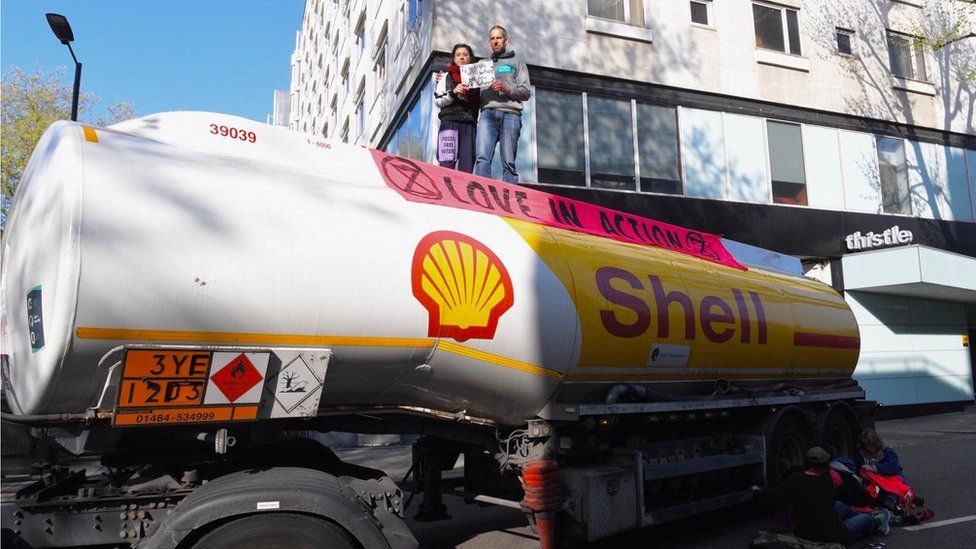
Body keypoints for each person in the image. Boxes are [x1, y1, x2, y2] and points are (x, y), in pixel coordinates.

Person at [753, 447, 890, 543]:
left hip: (803, 532)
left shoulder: (795, 479)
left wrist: (757, 491)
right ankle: (878, 519)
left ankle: (865, 516)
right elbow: (862, 499)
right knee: (863, 518)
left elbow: (773, 496)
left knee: (839, 506)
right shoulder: (832, 478)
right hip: (832, 535)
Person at [473, 25, 531, 183]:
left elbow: (526, 92)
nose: (495, 41)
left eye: (499, 38)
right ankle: (481, 192)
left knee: (509, 162)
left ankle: (509, 198)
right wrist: (443, 79)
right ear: (489, 42)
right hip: (487, 114)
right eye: (492, 39)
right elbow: (467, 87)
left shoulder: (517, 63)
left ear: (506, 40)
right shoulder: (482, 65)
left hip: (511, 115)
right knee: (482, 157)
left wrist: (507, 89)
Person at [434, 44, 480, 173]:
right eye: (458, 55)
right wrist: (453, 92)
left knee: (467, 165)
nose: (462, 58)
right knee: (446, 163)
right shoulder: (445, 77)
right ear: (454, 58)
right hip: (449, 122)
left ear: (470, 58)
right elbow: (438, 101)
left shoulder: (478, 78)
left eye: (465, 55)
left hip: (468, 124)